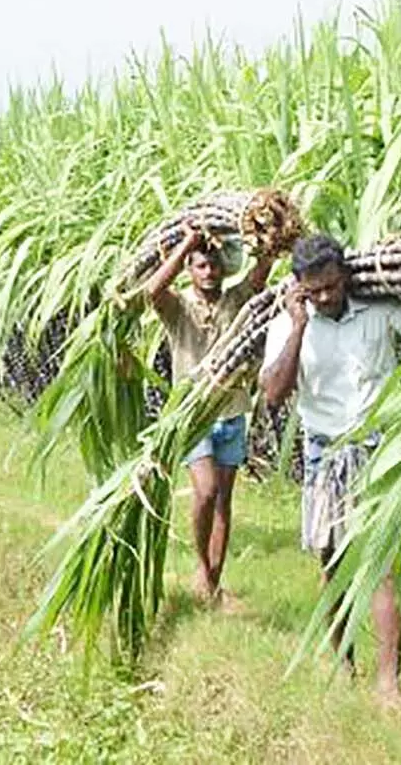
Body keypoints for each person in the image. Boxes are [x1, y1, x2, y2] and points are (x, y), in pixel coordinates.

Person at [259, 233, 401, 704]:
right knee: (333, 566)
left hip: (377, 452)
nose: (325, 297)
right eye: (314, 290)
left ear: (345, 276)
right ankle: (342, 662)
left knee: (382, 565)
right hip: (324, 453)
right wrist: (298, 326)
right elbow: (273, 392)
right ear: (299, 287)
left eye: (332, 286)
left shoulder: (376, 311)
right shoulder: (286, 326)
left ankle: (389, 683)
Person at [146, 223, 276, 608]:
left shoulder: (236, 300)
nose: (209, 272)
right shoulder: (179, 307)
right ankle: (202, 567)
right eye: (200, 266)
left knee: (223, 500)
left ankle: (215, 581)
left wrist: (269, 235)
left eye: (214, 265)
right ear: (189, 269)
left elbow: (261, 273)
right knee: (205, 491)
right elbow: (152, 291)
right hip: (193, 414)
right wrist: (187, 241)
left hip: (231, 410)